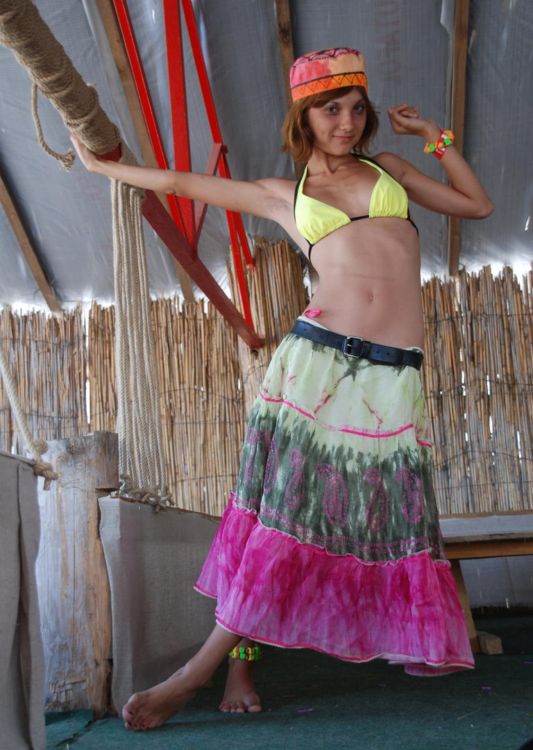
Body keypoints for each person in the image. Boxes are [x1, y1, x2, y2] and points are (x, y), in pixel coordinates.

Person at [72, 47, 494, 731]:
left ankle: (230, 662)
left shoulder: (388, 170)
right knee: (283, 519)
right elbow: (176, 182)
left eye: (355, 108)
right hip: (317, 364)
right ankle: (205, 671)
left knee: (347, 523)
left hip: (392, 376)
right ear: (304, 117)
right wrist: (104, 168)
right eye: (330, 110)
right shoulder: (283, 194)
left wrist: (432, 137)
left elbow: (477, 204)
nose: (346, 122)